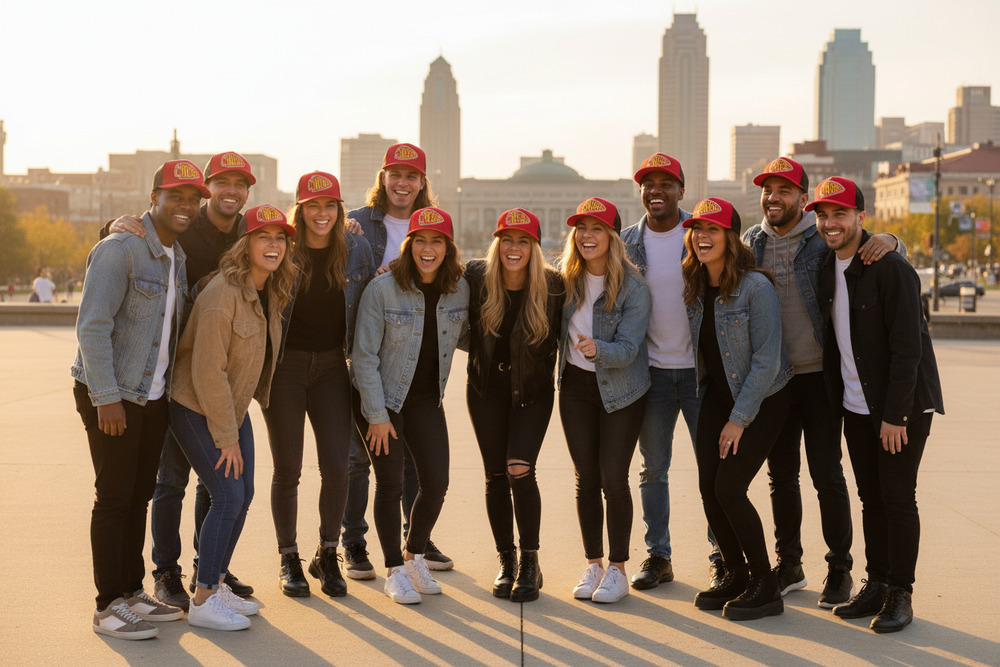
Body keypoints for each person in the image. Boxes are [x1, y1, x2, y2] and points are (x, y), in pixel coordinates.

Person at [743, 157, 904, 608]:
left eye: (784, 190)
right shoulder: (751, 243)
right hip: (775, 379)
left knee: (827, 474)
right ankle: (789, 564)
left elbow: (875, 252)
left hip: (820, 379)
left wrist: (894, 240)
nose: (773, 197)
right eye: (767, 190)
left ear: (803, 197)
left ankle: (840, 568)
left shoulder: (824, 237)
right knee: (781, 477)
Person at [103, 152, 259, 608]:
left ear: (247, 191)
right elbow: (139, 237)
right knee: (171, 479)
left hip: (220, 376)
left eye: (240, 183)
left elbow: (285, 242)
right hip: (175, 377)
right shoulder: (187, 222)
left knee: (221, 484)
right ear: (209, 187)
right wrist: (114, 224)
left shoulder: (250, 230)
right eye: (223, 182)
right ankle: (166, 572)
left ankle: (209, 570)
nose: (231, 190)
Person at [72, 159, 207, 639]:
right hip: (113, 393)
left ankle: (130, 592)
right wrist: (106, 397)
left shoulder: (177, 256)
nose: (185, 206)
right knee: (113, 498)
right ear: (154, 198)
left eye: (193, 199)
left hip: (152, 398)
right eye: (176, 197)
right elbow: (92, 325)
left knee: (138, 496)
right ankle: (107, 606)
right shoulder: (121, 249)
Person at [812, 177, 944, 633]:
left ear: (860, 217)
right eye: (823, 215)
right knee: (871, 498)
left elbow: (910, 349)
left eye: (840, 214)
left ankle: (900, 594)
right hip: (855, 404)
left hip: (899, 409)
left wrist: (895, 415)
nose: (830, 223)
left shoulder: (891, 269)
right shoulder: (825, 268)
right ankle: (877, 583)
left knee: (897, 497)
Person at [168, 204, 297, 630]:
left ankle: (217, 581)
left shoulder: (270, 289)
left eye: (280, 238)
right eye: (265, 237)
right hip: (195, 406)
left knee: (245, 493)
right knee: (226, 495)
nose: (274, 245)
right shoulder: (223, 294)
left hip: (231, 405)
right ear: (246, 245)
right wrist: (225, 437)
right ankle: (203, 600)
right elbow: (206, 372)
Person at [342, 143, 454, 578]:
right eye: (396, 174)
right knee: (358, 460)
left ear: (423, 182)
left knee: (412, 462)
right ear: (383, 177)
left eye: (412, 175)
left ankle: (415, 541)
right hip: (361, 353)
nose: (403, 182)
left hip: (411, 363)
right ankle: (354, 542)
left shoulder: (434, 227)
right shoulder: (356, 223)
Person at [260, 172, 374, 598]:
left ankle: (328, 552)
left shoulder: (356, 246)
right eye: (313, 206)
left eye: (330, 206)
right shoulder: (281, 248)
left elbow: (381, 281)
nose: (322, 214)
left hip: (332, 367)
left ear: (340, 210)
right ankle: (288, 557)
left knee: (338, 466)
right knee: (288, 469)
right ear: (301, 209)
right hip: (285, 368)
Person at [351, 207, 468, 605]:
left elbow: (466, 334)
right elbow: (363, 357)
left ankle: (413, 555)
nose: (428, 248)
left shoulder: (460, 289)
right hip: (382, 398)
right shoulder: (382, 289)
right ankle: (394, 571)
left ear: (448, 247)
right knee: (390, 483)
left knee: (436, 482)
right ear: (409, 244)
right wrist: (378, 416)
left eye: (437, 241)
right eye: (420, 240)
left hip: (424, 400)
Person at [683, 197, 793, 621]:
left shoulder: (755, 288)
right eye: (697, 230)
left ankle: (766, 585)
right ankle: (735, 573)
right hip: (717, 392)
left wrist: (738, 419)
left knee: (730, 488)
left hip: (762, 398)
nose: (702, 237)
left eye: (712, 230)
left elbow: (766, 360)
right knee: (708, 486)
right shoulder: (694, 283)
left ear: (730, 237)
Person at [621, 153, 722, 591]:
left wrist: (890, 239)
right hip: (653, 374)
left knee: (714, 471)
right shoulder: (625, 243)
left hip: (703, 375)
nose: (656, 190)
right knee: (653, 469)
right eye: (648, 183)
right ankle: (658, 556)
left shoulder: (702, 234)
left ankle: (723, 555)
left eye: (666, 183)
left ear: (683, 189)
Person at [464, 208, 564, 603]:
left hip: (533, 394)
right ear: (497, 243)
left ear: (534, 247)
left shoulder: (554, 287)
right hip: (486, 390)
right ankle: (506, 559)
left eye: (523, 241)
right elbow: (429, 270)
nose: (514, 248)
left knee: (519, 469)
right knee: (495, 476)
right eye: (507, 239)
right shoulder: (476, 277)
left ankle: (530, 560)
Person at [559, 197, 651, 605]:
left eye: (596, 229)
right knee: (586, 479)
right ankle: (593, 562)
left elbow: (630, 348)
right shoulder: (565, 280)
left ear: (613, 237)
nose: (587, 236)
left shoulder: (633, 287)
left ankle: (617, 569)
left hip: (621, 389)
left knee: (614, 477)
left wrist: (598, 350)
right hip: (575, 387)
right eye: (581, 229)